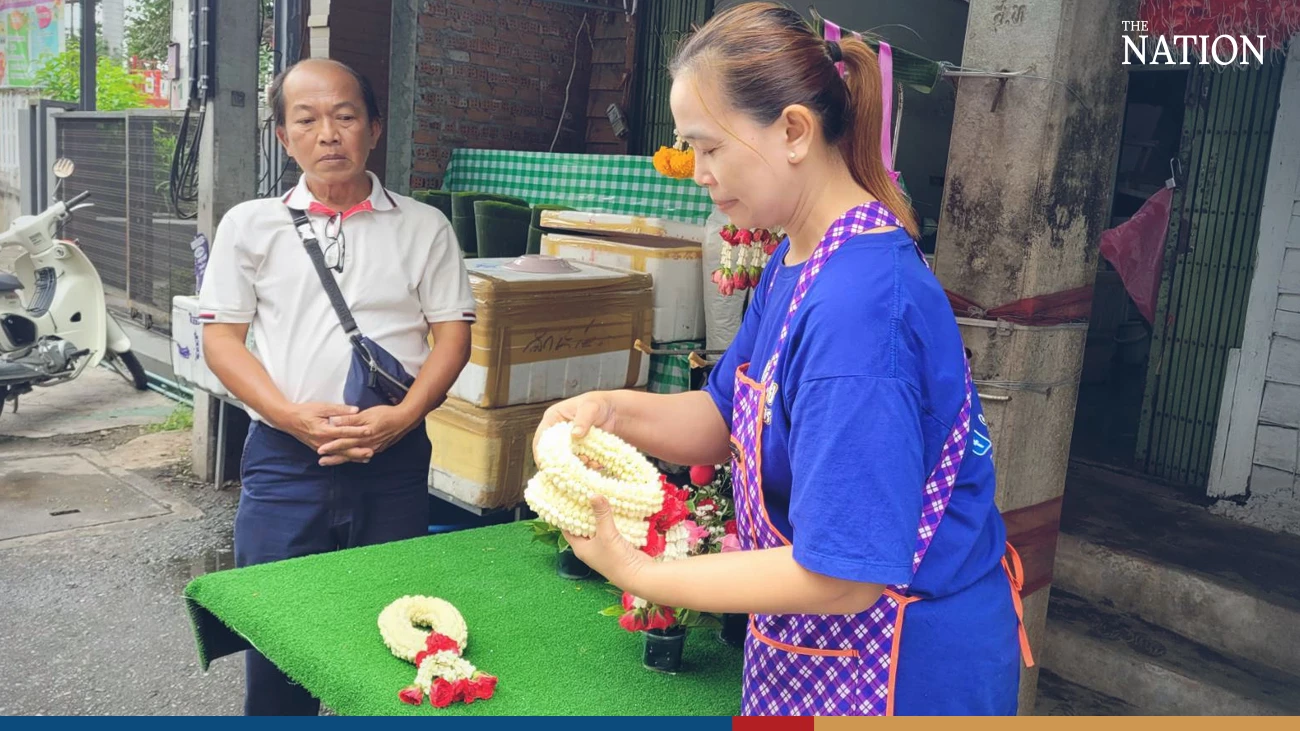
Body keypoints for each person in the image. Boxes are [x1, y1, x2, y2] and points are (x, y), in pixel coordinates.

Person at [533, 2, 1032, 717]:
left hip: (903, 667)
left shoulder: (859, 308)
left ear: (794, 130)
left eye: (708, 148)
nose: (697, 173)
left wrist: (641, 570)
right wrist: (609, 411)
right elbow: (721, 413)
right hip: (832, 648)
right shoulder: (797, 258)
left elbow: (841, 576)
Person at [199, 58, 474, 715]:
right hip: (284, 460)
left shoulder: (423, 226)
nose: (329, 133)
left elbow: (453, 337)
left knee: (397, 636)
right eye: (308, 119)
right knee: (279, 638)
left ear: (374, 128)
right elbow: (222, 340)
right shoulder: (249, 226)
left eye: (346, 116)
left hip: (394, 461)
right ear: (282, 136)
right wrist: (290, 415)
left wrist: (404, 416)